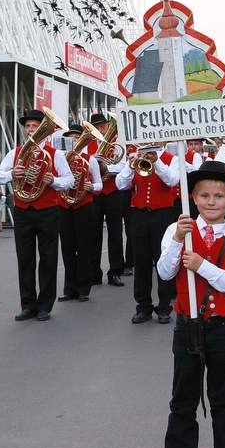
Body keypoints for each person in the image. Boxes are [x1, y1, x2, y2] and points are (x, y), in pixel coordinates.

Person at [149, 160, 225, 448]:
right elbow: (164, 273)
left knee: (224, 399)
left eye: (219, 196)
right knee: (183, 399)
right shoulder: (177, 231)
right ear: (192, 197)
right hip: (187, 326)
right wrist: (179, 240)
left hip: (222, 328)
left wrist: (203, 266)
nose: (211, 201)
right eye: (204, 195)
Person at [0, 110, 75, 322]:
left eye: (35, 126)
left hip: (48, 211)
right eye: (28, 126)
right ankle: (27, 305)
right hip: (23, 211)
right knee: (25, 259)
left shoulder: (54, 154)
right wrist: (11, 174)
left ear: (43, 130)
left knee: (48, 258)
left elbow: (69, 180)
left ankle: (45, 305)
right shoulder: (15, 152)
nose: (31, 130)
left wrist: (52, 180)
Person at [116, 142, 181, 324]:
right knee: (141, 261)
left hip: (163, 214)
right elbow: (120, 184)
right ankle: (143, 307)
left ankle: (164, 307)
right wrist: (130, 166)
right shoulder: (135, 157)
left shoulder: (172, 159)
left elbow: (172, 180)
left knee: (164, 260)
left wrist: (156, 160)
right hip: (139, 214)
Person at [57, 124, 103, 303]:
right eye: (72, 138)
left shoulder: (90, 159)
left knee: (84, 248)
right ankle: (69, 289)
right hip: (64, 206)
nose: (75, 140)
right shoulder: (60, 157)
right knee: (67, 249)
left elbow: (99, 184)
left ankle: (84, 288)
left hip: (84, 205)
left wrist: (91, 187)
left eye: (77, 137)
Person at [86, 112, 127, 288]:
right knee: (93, 234)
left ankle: (115, 272)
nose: (100, 129)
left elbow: (123, 166)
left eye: (103, 126)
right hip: (95, 194)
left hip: (113, 192)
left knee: (115, 233)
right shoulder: (86, 144)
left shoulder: (116, 143)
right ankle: (94, 273)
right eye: (96, 127)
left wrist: (105, 167)